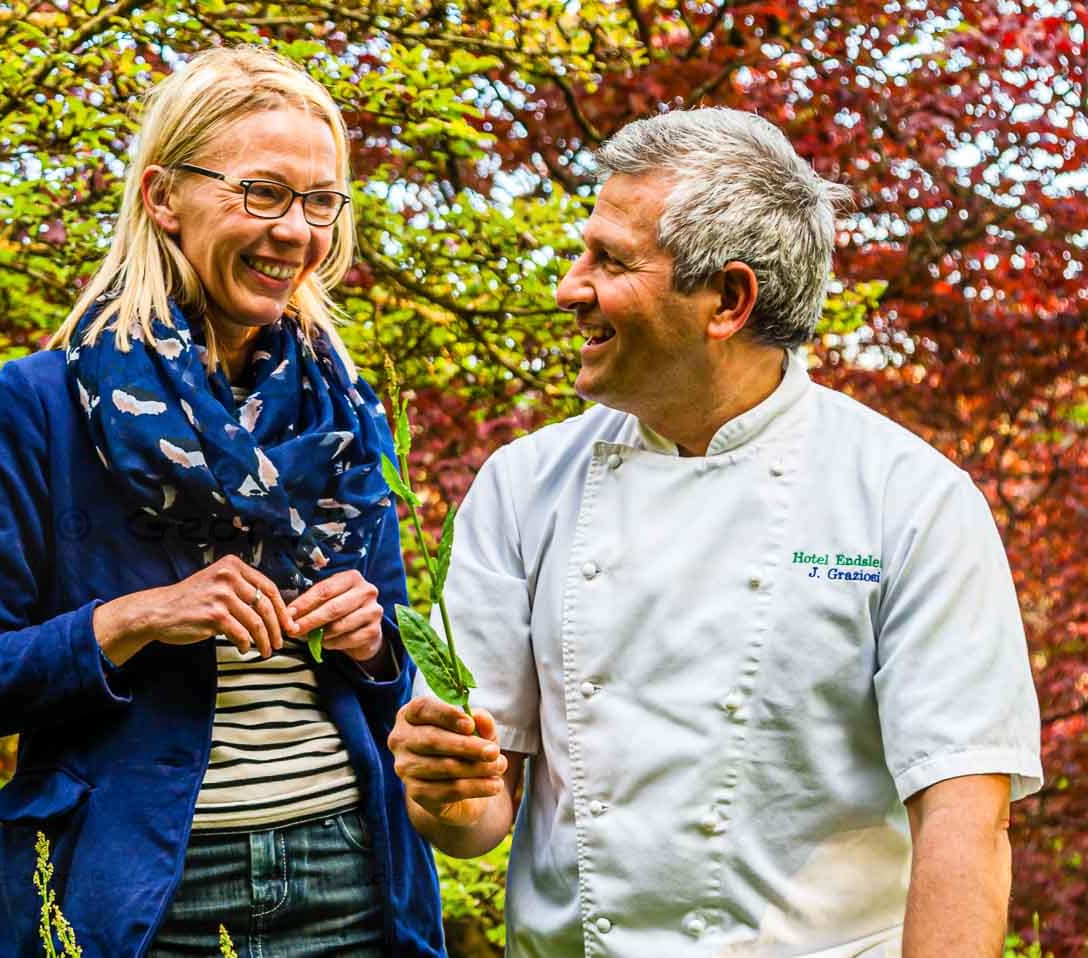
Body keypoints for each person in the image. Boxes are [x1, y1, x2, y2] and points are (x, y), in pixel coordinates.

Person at [388, 108, 1043, 957]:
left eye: (610, 261)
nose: (568, 287)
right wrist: (443, 790)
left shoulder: (909, 501)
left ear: (729, 300)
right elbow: (477, 819)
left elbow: (965, 819)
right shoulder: (522, 487)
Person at [0, 46, 444, 958]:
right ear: (163, 197)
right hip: (137, 894)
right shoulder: (41, 406)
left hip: (352, 869)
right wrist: (138, 618)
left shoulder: (347, 409)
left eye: (321, 203)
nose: (298, 233)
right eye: (263, 193)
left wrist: (373, 637)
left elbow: (397, 668)